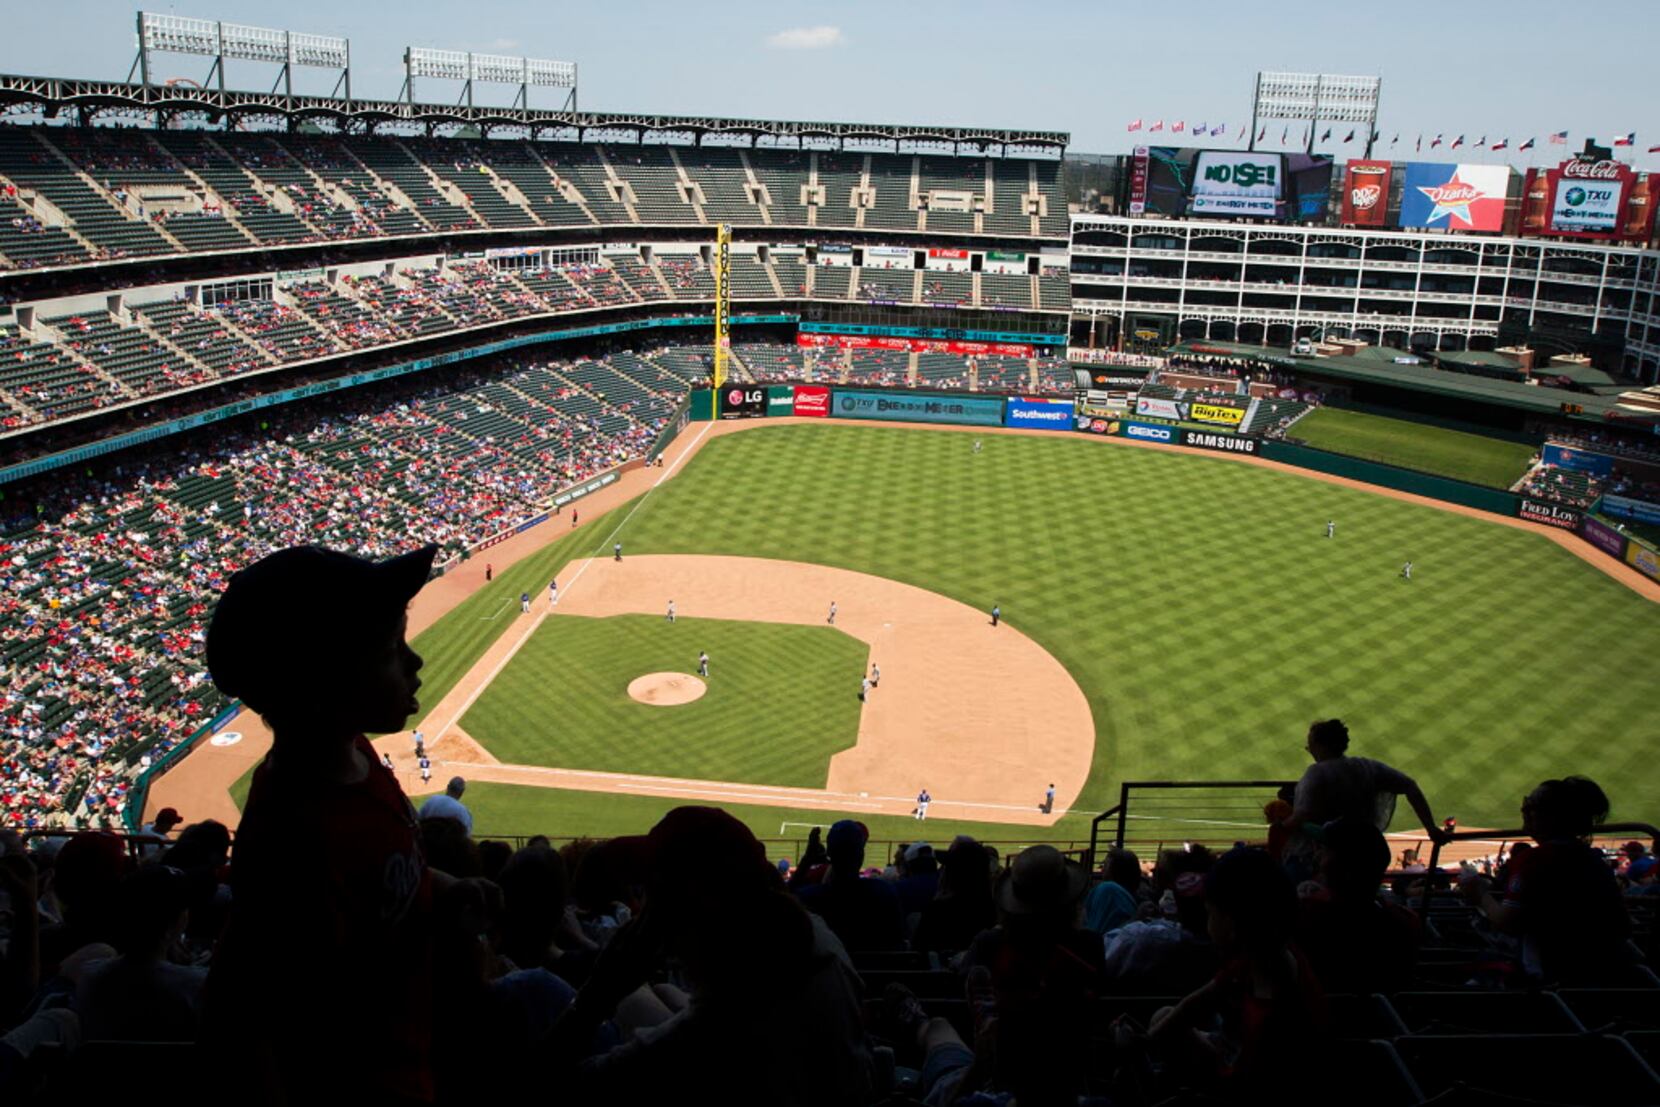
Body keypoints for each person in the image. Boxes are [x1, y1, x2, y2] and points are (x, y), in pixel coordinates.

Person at [200, 543, 440, 1103]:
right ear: (322, 684)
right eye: (389, 650)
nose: (415, 662)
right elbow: (256, 1019)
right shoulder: (295, 840)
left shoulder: (353, 753)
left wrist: (444, 889)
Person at [1461, 776, 1632, 984]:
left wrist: (1480, 894)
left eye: (1531, 806)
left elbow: (1508, 922)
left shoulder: (1536, 859)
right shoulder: (1593, 859)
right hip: (1603, 975)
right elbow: (1623, 926)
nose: (1524, 810)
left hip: (1552, 979)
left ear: (1554, 816)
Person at [1281, 718, 1446, 876]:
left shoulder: (1316, 772)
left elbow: (1301, 817)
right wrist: (1431, 828)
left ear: (1321, 746)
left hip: (1332, 858)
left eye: (1310, 747)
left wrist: (1279, 826)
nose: (1310, 751)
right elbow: (1410, 786)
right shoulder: (1367, 766)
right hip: (1369, 852)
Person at [794, 819, 905, 952]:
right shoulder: (885, 892)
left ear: (829, 854)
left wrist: (807, 859)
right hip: (877, 969)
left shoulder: (808, 898)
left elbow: (785, 900)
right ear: (862, 855)